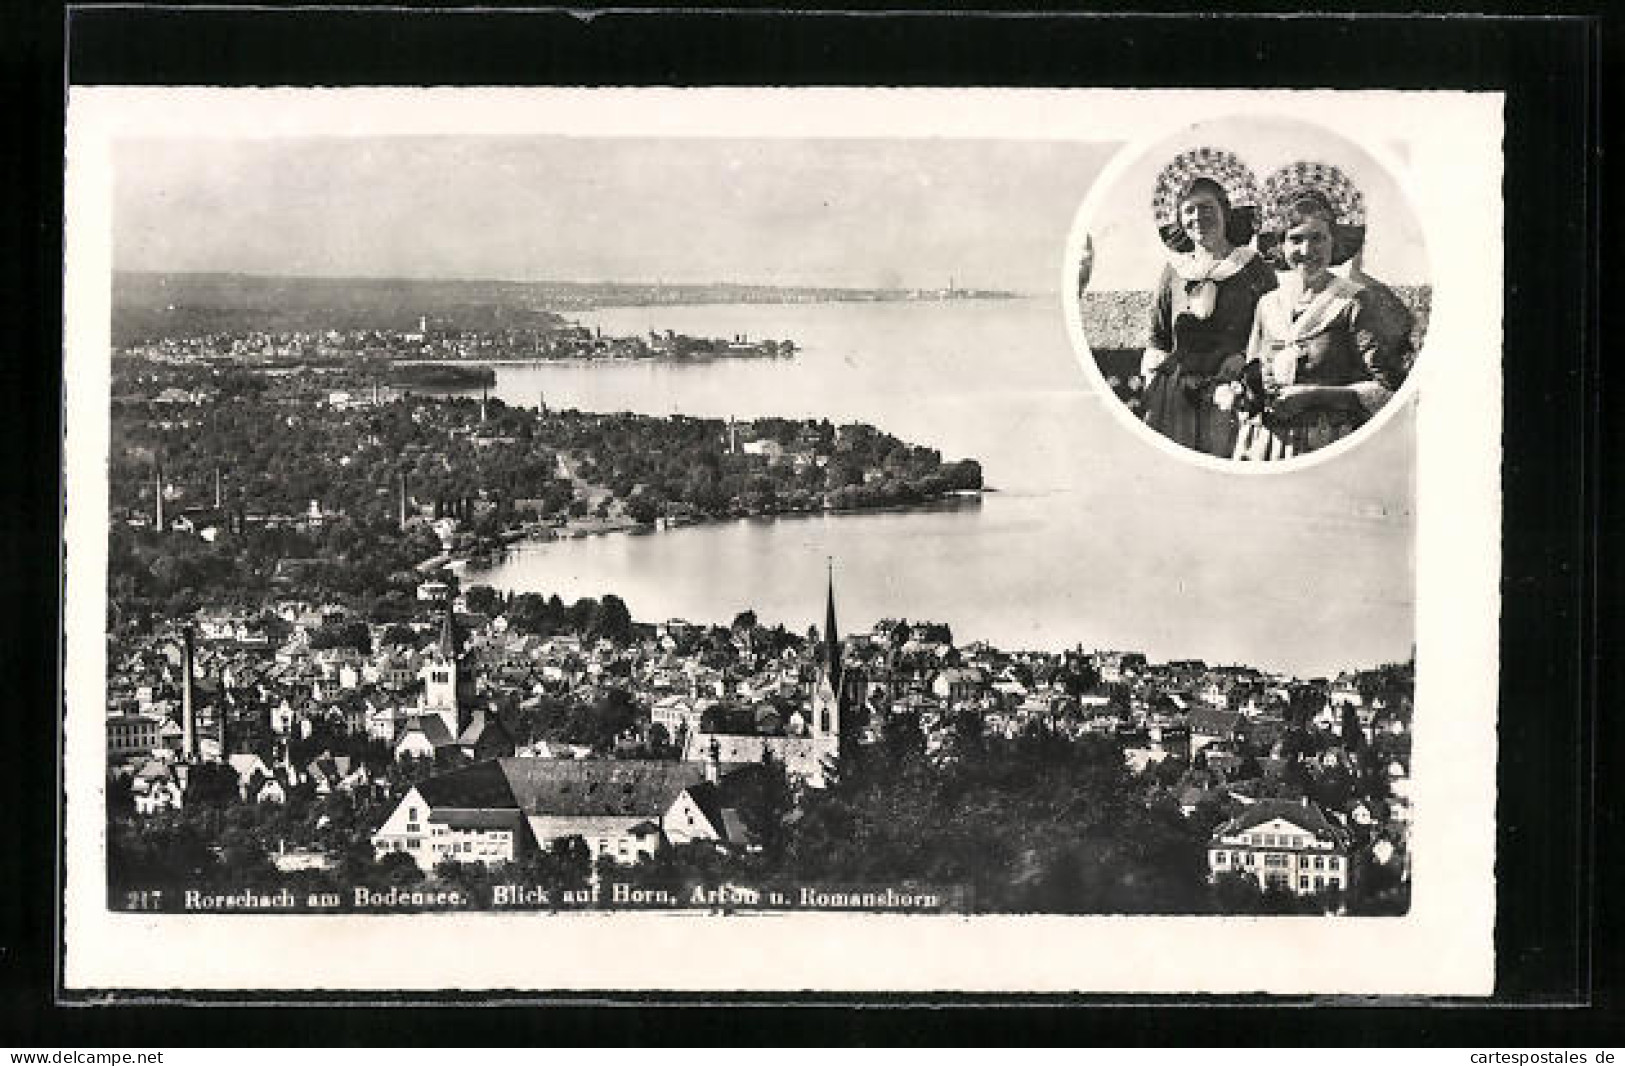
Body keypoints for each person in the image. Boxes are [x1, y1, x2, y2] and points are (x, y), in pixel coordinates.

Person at [1230, 161, 1414, 461]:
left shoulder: (1353, 302)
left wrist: (1315, 395)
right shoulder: (1268, 304)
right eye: (1296, 239)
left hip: (1329, 442)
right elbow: (1253, 372)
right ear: (1280, 246)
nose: (1306, 250)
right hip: (1267, 443)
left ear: (1334, 241)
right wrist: (1246, 395)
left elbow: (1385, 390)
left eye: (1318, 237)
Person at [1140, 148, 1279, 457]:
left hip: (1233, 397)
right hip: (1176, 399)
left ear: (1225, 211)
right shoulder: (1173, 272)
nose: (1198, 217)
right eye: (1189, 211)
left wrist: (1245, 359)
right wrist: (1154, 377)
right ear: (1179, 219)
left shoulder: (1253, 267)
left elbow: (1275, 333)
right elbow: (1158, 336)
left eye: (1206, 207)